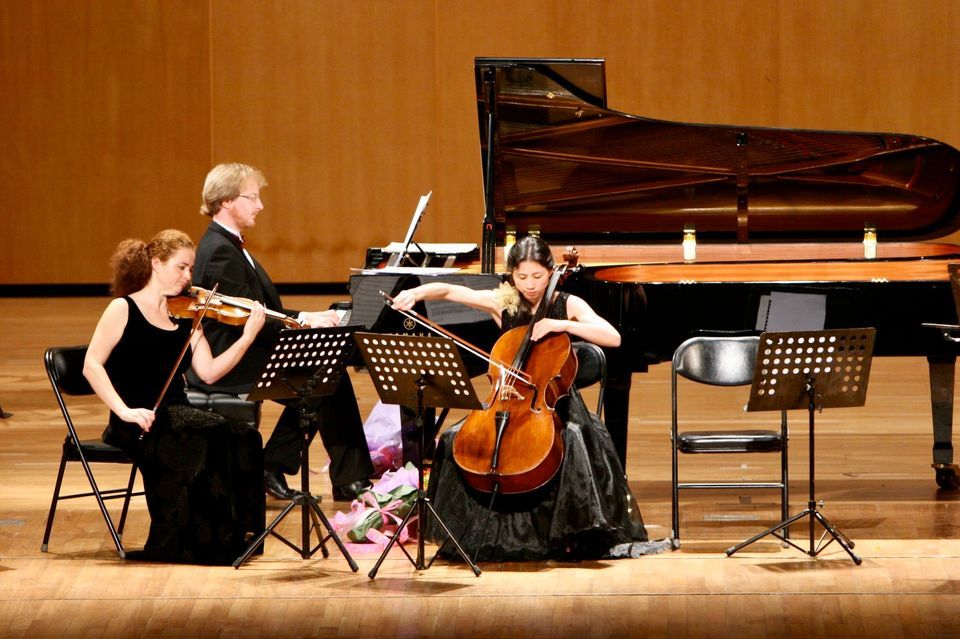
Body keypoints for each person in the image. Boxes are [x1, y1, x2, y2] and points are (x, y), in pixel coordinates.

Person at [391, 235, 669, 561]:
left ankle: (563, 534)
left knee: (575, 441)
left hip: (555, 407)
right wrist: (417, 292)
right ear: (511, 275)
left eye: (537, 276)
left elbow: (613, 337)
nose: (530, 285)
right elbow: (453, 291)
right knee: (454, 439)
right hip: (507, 400)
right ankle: (475, 531)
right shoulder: (506, 302)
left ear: (550, 272)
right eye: (521, 277)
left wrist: (562, 323)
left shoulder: (567, 303)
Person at [187, 163, 373, 502]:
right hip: (236, 360)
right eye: (252, 197)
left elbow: (259, 309)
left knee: (326, 377)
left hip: (254, 350)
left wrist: (307, 317)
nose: (260, 205)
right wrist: (304, 320)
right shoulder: (219, 251)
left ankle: (284, 467)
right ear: (227, 200)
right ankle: (336, 476)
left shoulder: (228, 244)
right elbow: (247, 315)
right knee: (324, 378)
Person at [84, 229, 267, 564]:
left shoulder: (185, 315)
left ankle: (236, 537)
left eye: (190, 269)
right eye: (180, 267)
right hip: (136, 420)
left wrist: (247, 337)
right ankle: (188, 543)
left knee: (245, 436)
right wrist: (125, 411)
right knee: (209, 436)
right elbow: (91, 365)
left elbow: (209, 372)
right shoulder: (122, 309)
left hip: (177, 413)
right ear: (156, 263)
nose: (188, 277)